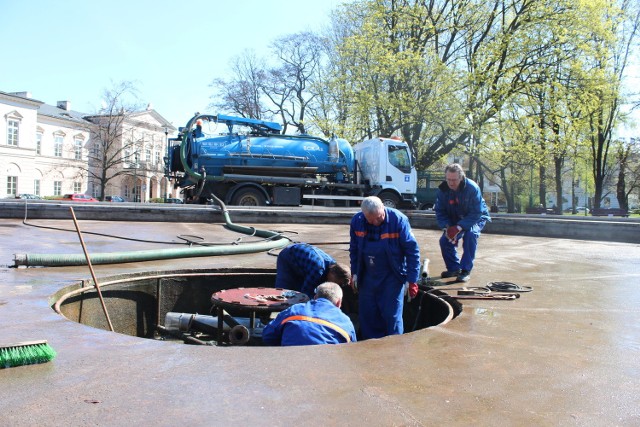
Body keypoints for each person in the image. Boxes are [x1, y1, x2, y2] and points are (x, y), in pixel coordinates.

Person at [349, 196, 421, 339]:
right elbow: (354, 249)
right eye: (371, 220)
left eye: (379, 217)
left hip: (392, 276)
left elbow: (412, 251)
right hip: (367, 276)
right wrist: (355, 273)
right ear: (364, 215)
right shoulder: (357, 222)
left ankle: (394, 350)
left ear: (383, 207)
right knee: (368, 315)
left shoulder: (398, 221)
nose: (376, 222)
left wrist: (412, 279)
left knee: (391, 315)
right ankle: (370, 347)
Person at [434, 163, 491, 283]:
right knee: (444, 240)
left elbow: (476, 212)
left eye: (454, 180)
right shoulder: (442, 191)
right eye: (448, 179)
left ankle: (465, 270)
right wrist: (447, 228)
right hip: (455, 217)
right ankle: (454, 268)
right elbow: (440, 212)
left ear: (461, 177)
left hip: (476, 216)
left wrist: (459, 227)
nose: (451, 183)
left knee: (470, 235)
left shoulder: (472, 188)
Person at [261, 282, 357, 346]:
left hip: (290, 365)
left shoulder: (294, 310)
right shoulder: (345, 322)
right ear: (339, 302)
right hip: (326, 370)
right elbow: (350, 352)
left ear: (315, 297)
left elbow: (267, 335)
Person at [275, 243, 350, 299]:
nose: (336, 284)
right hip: (287, 256)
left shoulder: (332, 264)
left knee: (298, 291)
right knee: (284, 290)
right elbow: (306, 293)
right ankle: (278, 312)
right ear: (333, 273)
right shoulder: (317, 270)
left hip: (302, 262)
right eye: (338, 282)